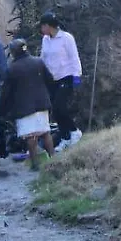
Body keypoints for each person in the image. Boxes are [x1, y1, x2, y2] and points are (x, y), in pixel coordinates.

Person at [0, 38, 56, 170]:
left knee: (31, 135)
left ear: (13, 52)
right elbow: (50, 79)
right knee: (45, 132)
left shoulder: (12, 68)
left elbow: (6, 92)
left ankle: (35, 163)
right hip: (42, 103)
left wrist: (1, 110)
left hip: (24, 107)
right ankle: (53, 158)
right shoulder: (38, 61)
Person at [39, 11, 82, 151]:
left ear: (48, 26)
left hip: (66, 76)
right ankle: (65, 138)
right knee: (55, 111)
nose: (41, 29)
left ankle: (74, 131)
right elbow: (43, 58)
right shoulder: (45, 40)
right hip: (52, 79)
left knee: (60, 106)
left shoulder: (66, 38)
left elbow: (74, 57)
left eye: (42, 26)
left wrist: (77, 75)